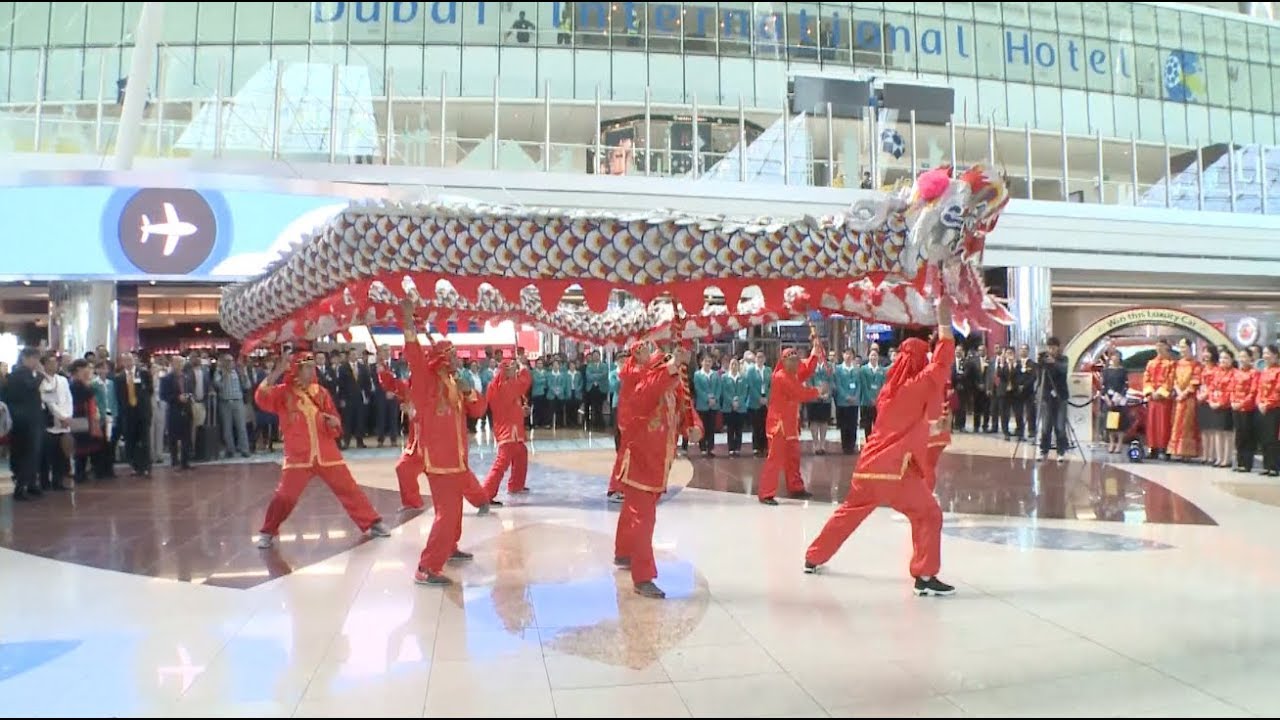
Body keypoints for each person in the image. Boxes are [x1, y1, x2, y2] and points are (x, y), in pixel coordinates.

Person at [803, 299, 956, 597]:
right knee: (928, 515)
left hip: (869, 468)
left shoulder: (888, 391)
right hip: (895, 472)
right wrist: (945, 324)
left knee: (848, 513)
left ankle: (813, 556)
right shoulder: (917, 387)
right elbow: (942, 363)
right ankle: (925, 575)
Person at [395, 300, 492, 586]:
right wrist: (409, 324)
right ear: (441, 358)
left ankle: (450, 547)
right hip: (439, 461)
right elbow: (414, 355)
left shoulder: (455, 382)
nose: (457, 360)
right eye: (451, 355)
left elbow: (479, 411)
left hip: (457, 460)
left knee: (455, 512)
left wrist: (470, 392)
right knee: (447, 514)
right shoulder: (426, 382)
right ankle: (426, 567)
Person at [253, 352, 390, 548]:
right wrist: (276, 372)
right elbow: (261, 398)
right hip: (299, 456)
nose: (311, 370)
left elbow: (335, 421)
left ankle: (372, 522)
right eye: (306, 367)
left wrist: (334, 422)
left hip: (326, 452)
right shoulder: (283, 393)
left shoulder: (322, 393)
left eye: (312, 367)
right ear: (296, 370)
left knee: (349, 489)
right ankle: (268, 530)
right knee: (285, 496)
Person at [613, 344, 702, 599]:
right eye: (665, 367)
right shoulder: (643, 389)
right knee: (643, 520)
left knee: (633, 513)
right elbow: (650, 388)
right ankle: (643, 577)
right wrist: (672, 366)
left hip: (658, 465)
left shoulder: (675, 393)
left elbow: (689, 416)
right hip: (641, 463)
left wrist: (695, 429)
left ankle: (623, 551)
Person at [758, 338, 825, 505]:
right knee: (775, 459)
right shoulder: (781, 377)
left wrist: (814, 355)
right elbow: (799, 393)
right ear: (784, 361)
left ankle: (795, 487)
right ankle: (766, 493)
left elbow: (806, 370)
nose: (797, 363)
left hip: (790, 425)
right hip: (778, 425)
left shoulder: (792, 374)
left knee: (793, 458)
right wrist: (818, 391)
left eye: (797, 359)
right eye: (793, 360)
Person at [482, 355, 533, 501]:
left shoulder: (500, 385)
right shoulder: (504, 386)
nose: (515, 370)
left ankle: (516, 485)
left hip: (512, 430)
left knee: (521, 453)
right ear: (505, 370)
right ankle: (486, 494)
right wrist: (523, 368)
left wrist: (521, 411)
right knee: (501, 463)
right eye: (511, 367)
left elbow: (509, 406)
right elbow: (525, 382)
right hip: (508, 432)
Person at [4, 348, 45, 500]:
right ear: (25, 358)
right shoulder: (19, 374)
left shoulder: (24, 374)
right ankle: (20, 488)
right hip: (25, 420)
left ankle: (32, 484)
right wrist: (41, 375)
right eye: (34, 359)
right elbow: (31, 387)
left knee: (33, 453)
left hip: (30, 418)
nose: (37, 363)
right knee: (28, 453)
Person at [1168, 337, 1203, 460]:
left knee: (1188, 425)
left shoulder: (1196, 364)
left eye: (1184, 347)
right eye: (1181, 347)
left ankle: (1188, 452)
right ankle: (1177, 450)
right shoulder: (1177, 363)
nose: (1182, 350)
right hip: (1179, 398)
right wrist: (1178, 391)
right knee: (1177, 423)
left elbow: (1195, 381)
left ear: (1190, 348)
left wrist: (1185, 393)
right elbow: (1175, 380)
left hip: (1189, 399)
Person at [1037, 337, 1070, 463]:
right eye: (1049, 347)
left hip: (1061, 397)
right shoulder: (1044, 359)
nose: (1051, 350)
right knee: (1046, 426)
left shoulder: (1063, 359)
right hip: (1047, 397)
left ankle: (1061, 451)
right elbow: (1039, 374)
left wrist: (1054, 363)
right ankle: (1043, 450)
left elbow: (1063, 370)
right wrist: (1041, 362)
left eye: (1054, 347)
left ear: (1058, 347)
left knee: (1060, 426)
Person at [1142, 339, 1176, 458]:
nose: (1159, 348)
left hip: (1164, 398)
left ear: (1167, 348)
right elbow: (1146, 378)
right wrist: (1150, 392)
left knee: (1165, 423)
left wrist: (1160, 393)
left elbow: (1170, 380)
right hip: (1153, 398)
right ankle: (1153, 448)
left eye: (1162, 346)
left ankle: (1164, 448)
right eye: (1158, 346)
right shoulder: (1151, 363)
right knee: (1152, 423)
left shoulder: (1171, 364)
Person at [159, 355, 194, 471]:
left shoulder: (187, 377)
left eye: (181, 363)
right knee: (173, 437)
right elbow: (163, 395)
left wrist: (189, 397)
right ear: (172, 364)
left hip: (187, 409)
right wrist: (177, 398)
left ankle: (185, 461)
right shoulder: (166, 379)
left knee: (187, 437)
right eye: (177, 363)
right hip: (174, 410)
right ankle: (174, 461)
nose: (179, 365)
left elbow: (190, 390)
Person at [1231, 348, 1259, 473]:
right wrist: (1233, 402)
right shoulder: (1236, 372)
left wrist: (1241, 404)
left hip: (1248, 408)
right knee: (1239, 436)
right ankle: (1240, 462)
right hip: (1236, 407)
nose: (1242, 359)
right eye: (1240, 356)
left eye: (1244, 357)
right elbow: (1232, 389)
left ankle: (1247, 464)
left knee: (1248, 436)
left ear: (1250, 358)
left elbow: (1253, 392)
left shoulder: (1254, 373)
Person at [1257, 345, 1280, 477]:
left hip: (1274, 408)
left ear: (1276, 355)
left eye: (1268, 353)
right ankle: (1266, 465)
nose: (1265, 356)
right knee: (1264, 437)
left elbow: (1277, 391)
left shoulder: (1278, 371)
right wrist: (1260, 402)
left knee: (1272, 438)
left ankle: (1274, 466)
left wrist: (1267, 403)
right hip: (1262, 407)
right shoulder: (1264, 371)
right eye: (1264, 353)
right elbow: (1259, 390)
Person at [833, 350, 861, 454]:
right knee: (844, 425)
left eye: (850, 354)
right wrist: (846, 396)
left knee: (853, 424)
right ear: (843, 355)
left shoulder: (857, 369)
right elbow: (838, 385)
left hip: (854, 402)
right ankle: (845, 446)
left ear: (853, 356)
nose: (848, 356)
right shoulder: (838, 369)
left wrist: (855, 396)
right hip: (843, 402)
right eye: (846, 354)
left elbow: (859, 385)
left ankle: (852, 445)